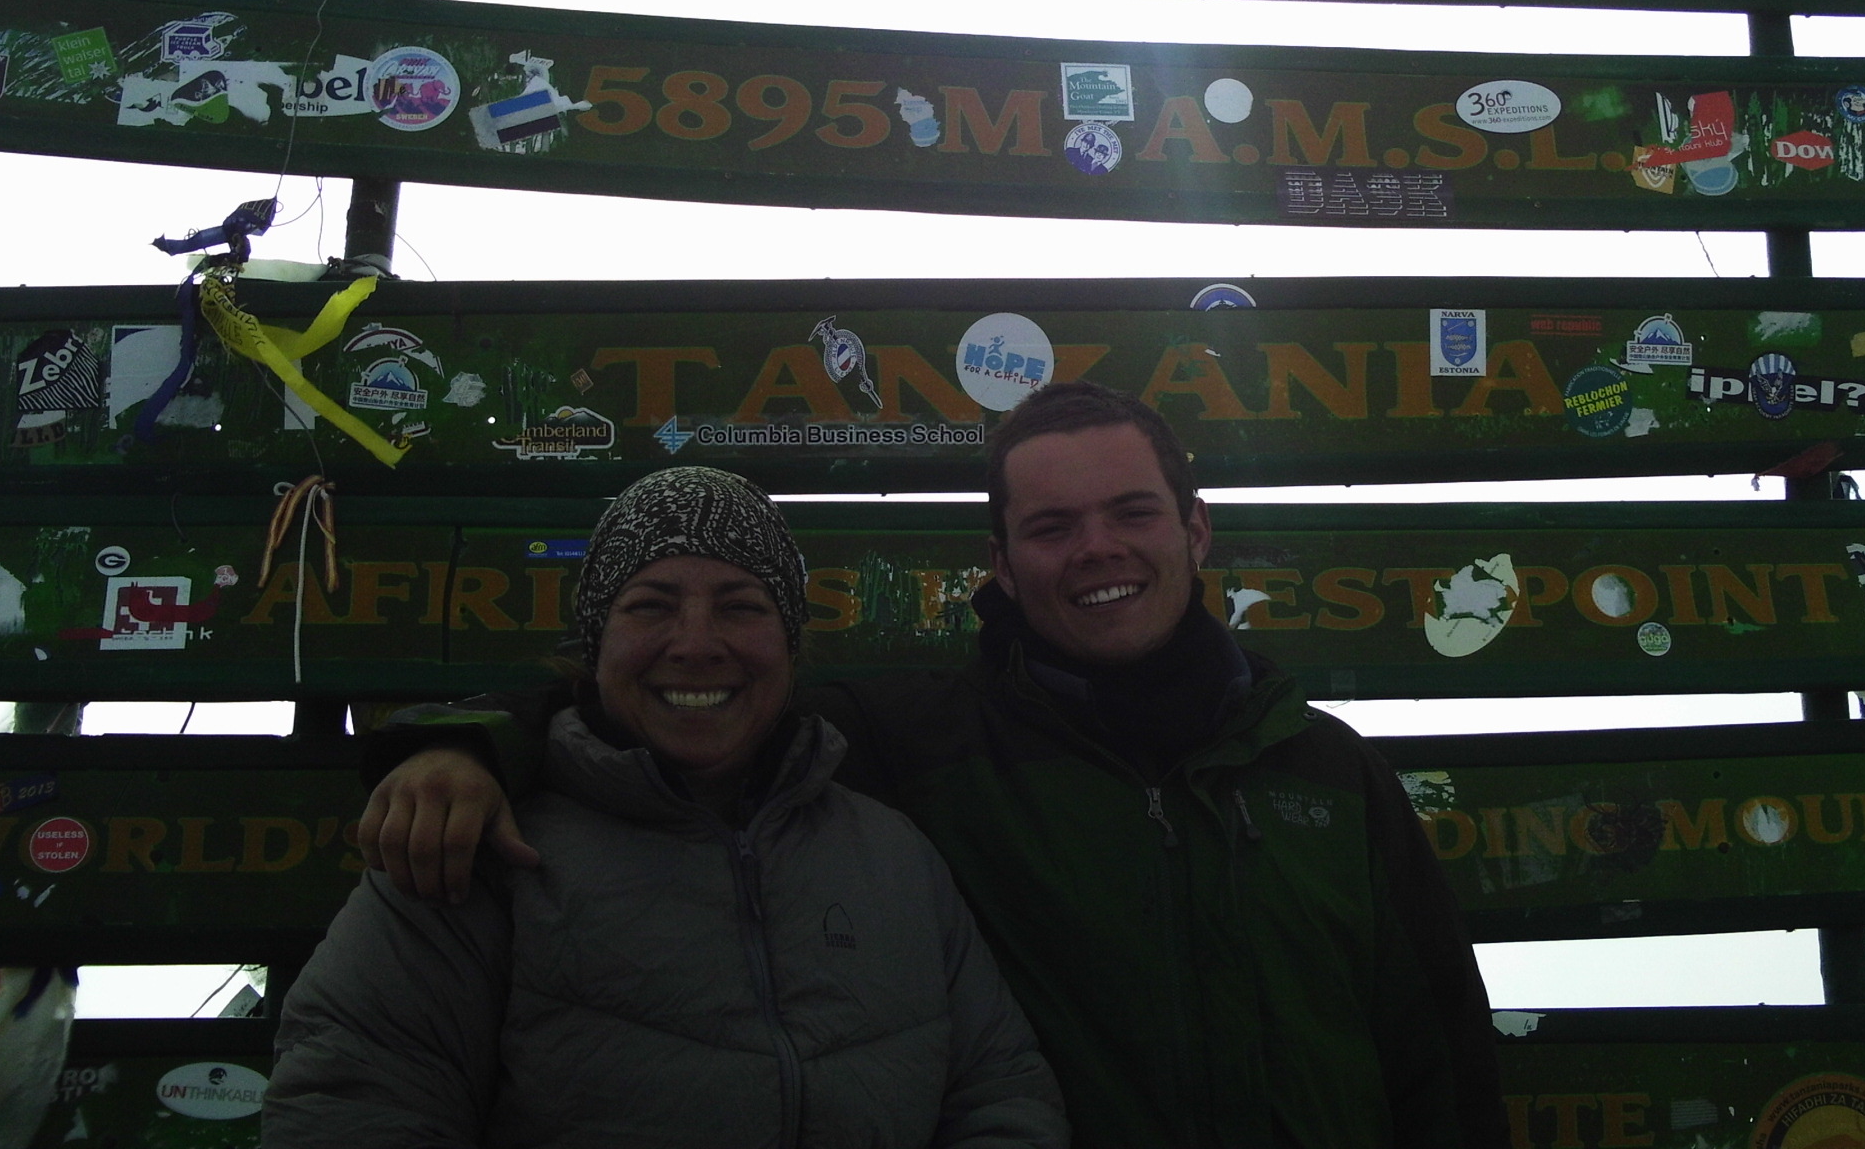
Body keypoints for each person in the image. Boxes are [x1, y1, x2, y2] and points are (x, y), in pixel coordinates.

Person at [358, 384, 1505, 1149]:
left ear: (1193, 532)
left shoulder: (1323, 771)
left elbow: (1440, 1062)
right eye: (1051, 528)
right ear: (998, 564)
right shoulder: (915, 745)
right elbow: (687, 689)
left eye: (1130, 513)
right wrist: (472, 742)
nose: (1096, 549)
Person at [268, 467, 1066, 1149]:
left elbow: (1000, 1091)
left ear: (791, 647)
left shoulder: (892, 854)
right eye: (650, 605)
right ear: (596, 640)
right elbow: (353, 1104)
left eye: (741, 606)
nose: (695, 642)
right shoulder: (475, 842)